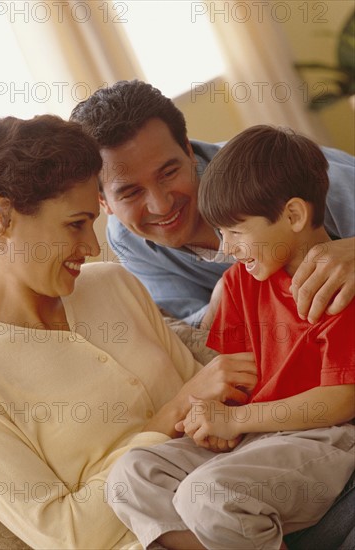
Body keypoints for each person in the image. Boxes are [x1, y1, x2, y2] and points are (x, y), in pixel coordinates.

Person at [0, 115, 257, 550]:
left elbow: (212, 402)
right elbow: (67, 534)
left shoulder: (112, 283)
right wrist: (170, 415)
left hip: (247, 496)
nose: (92, 247)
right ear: (3, 217)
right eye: (75, 225)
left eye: (93, 223)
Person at [106, 126, 355, 550]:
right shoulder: (240, 284)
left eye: (236, 232)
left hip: (324, 436)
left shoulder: (336, 287)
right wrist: (214, 413)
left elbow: (341, 401)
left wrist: (237, 421)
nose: (227, 247)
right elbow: (238, 373)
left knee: (208, 496)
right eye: (221, 233)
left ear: (293, 216)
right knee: (131, 476)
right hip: (257, 437)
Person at [70, 79, 355, 328]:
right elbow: (196, 325)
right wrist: (228, 294)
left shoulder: (275, 171)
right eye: (130, 193)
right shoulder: (127, 240)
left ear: (188, 150)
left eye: (169, 173)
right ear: (102, 201)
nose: (161, 205)